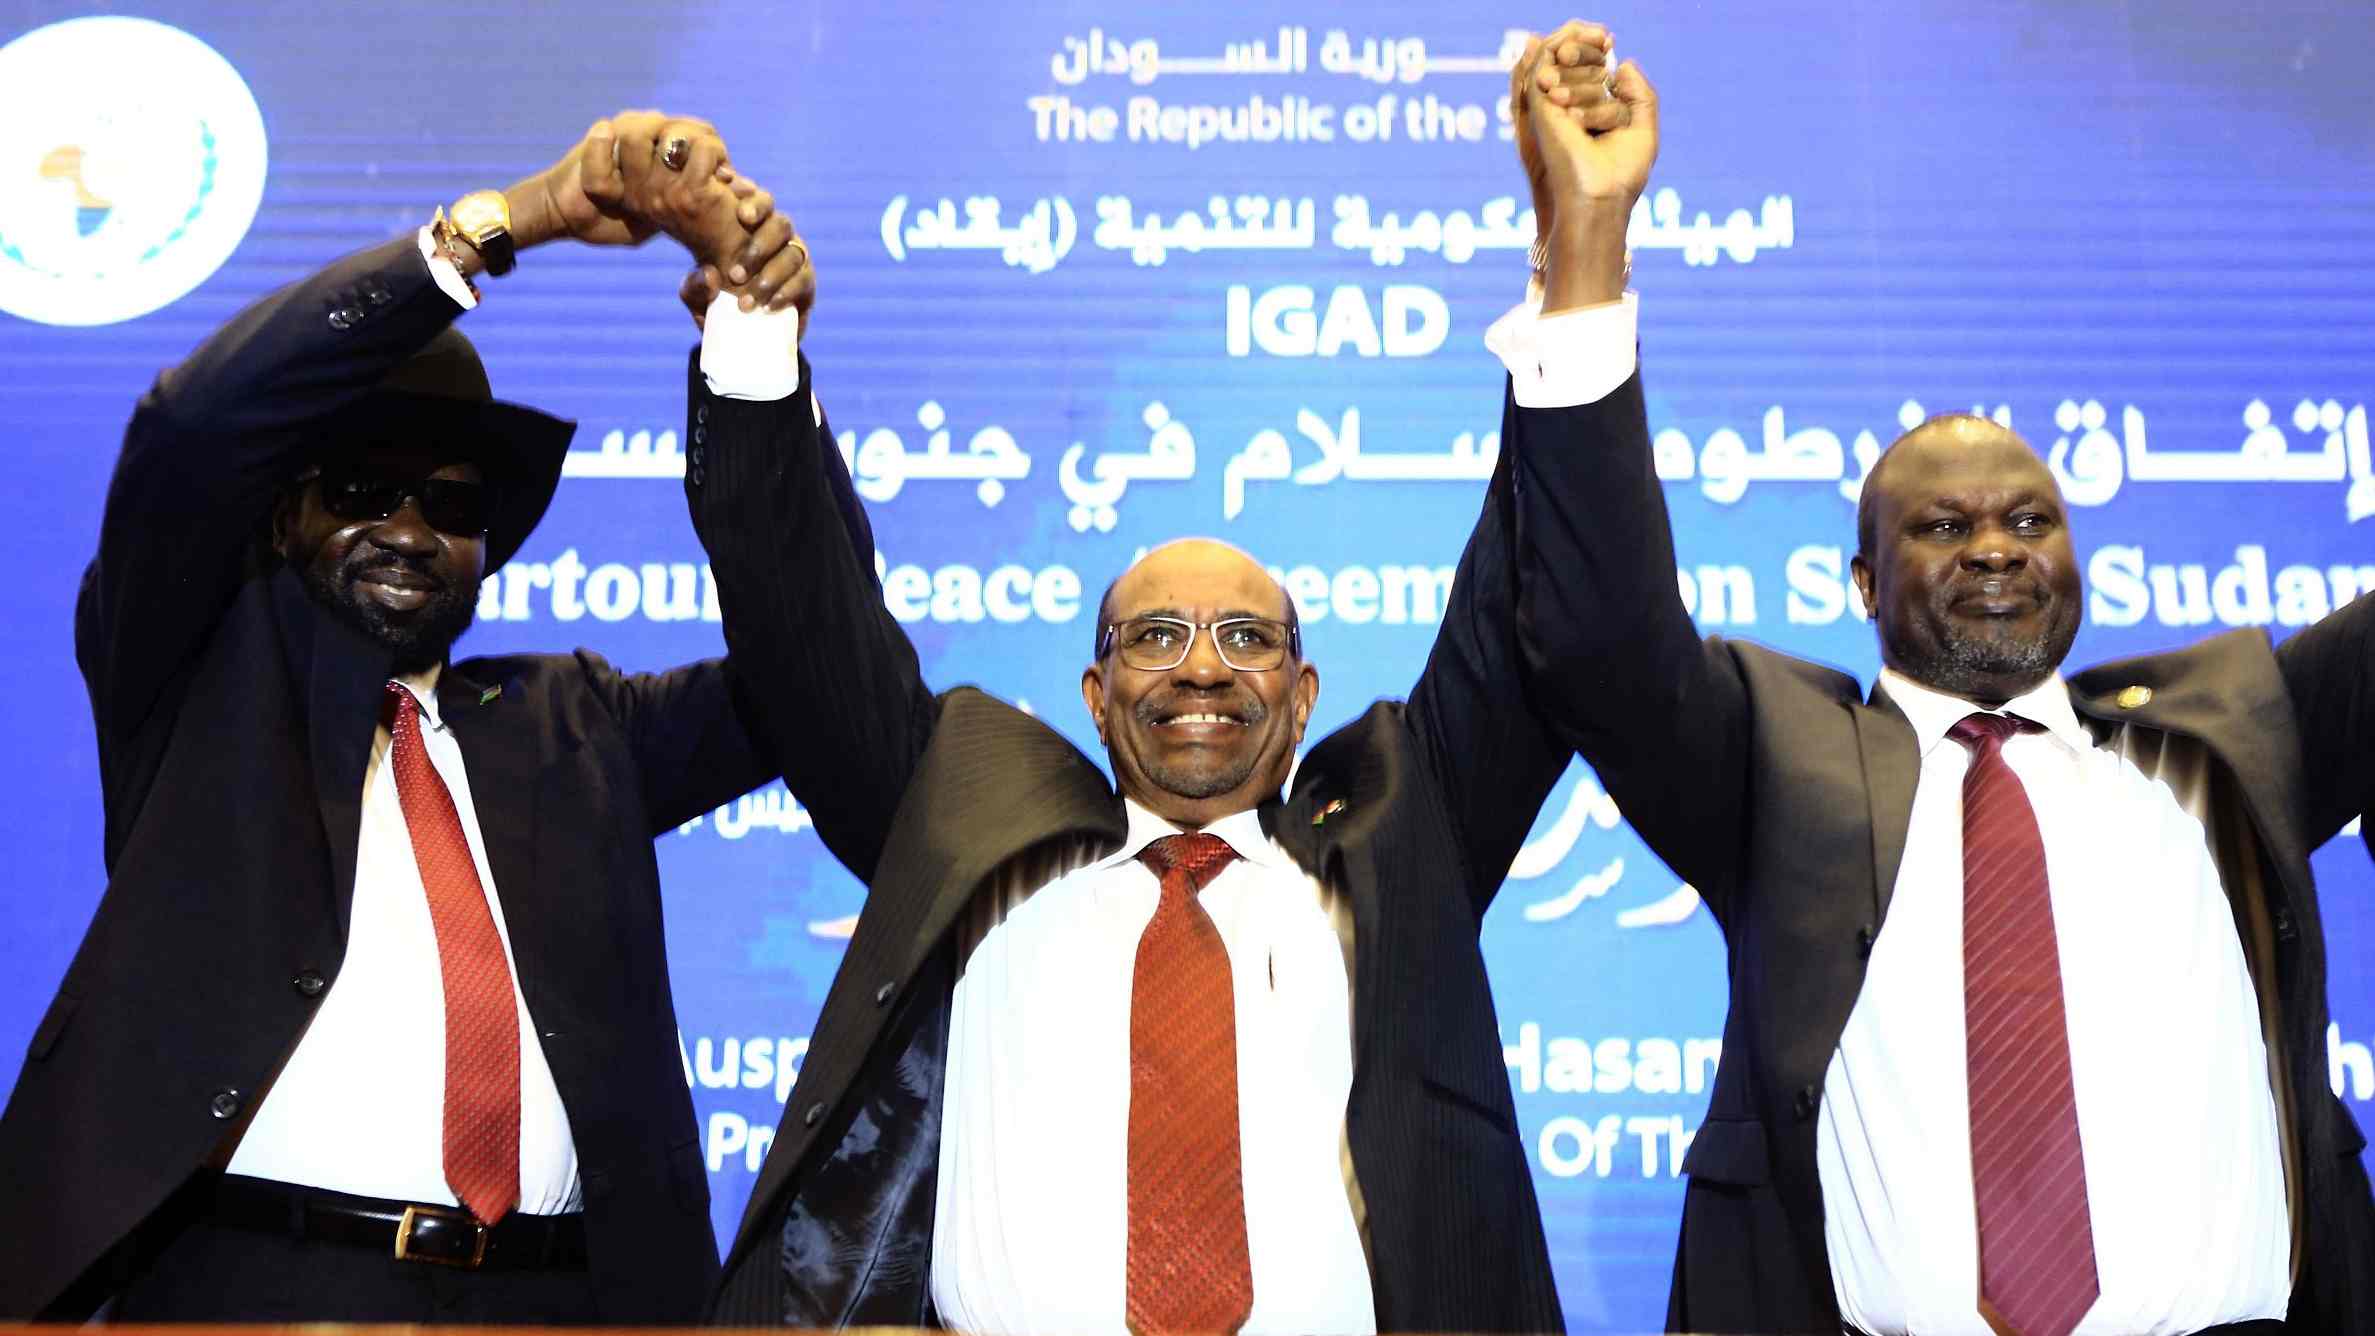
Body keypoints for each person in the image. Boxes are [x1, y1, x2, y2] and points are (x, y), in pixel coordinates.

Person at [675, 25, 1635, 1335]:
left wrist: (1577, 254)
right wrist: (752, 339)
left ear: (1302, 697)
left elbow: (1524, 593)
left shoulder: (1395, 856)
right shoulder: (973, 846)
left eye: (1245, 639)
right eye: (1154, 636)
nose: (1199, 666)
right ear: (1091, 692)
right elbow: (804, 621)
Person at [1496, 41, 2375, 1336]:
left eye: (2027, 520)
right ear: (1860, 581)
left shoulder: (2227, 736)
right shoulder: (1776, 767)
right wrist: (1585, 246)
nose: (1993, 549)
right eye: (1940, 527)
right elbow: (1595, 633)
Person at [0, 113, 816, 1324]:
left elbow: (807, 672)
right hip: (252, 1288)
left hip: (558, 1302)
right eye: (361, 489)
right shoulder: (193, 677)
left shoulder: (577, 721)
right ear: (282, 515)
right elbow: (190, 431)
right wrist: (514, 220)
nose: (410, 530)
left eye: (450, 502)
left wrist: (754, 341)